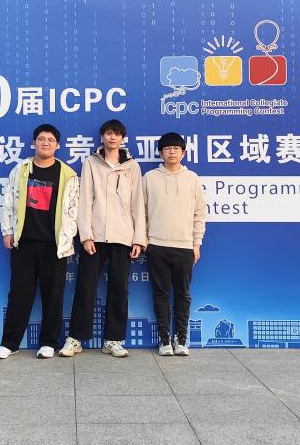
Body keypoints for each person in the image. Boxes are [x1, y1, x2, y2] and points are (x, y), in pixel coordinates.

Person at [60, 119, 145, 360]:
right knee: (85, 287)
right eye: (109, 133)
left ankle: (113, 340)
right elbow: (85, 200)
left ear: (122, 138)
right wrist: (86, 235)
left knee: (119, 288)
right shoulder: (91, 162)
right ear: (102, 137)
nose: (112, 137)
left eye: (117, 134)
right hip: (95, 236)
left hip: (123, 235)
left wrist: (138, 238)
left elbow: (138, 203)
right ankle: (75, 338)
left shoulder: (132, 166)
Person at [0, 124, 79, 360]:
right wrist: (7, 231)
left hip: (54, 246)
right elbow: (9, 202)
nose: (45, 143)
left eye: (51, 140)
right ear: (34, 143)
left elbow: (73, 210)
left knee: (53, 295)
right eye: (41, 139)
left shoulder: (68, 174)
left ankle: (49, 342)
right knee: (19, 294)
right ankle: (9, 343)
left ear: (58, 145)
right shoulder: (21, 170)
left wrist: (68, 235)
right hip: (24, 243)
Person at [143, 132, 205, 357]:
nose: (171, 152)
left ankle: (181, 338)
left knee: (183, 294)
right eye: (167, 148)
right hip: (156, 244)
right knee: (160, 293)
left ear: (183, 153)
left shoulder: (192, 179)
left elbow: (200, 213)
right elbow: (141, 211)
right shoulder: (149, 177)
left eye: (176, 148)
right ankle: (164, 339)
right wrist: (145, 240)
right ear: (161, 153)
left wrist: (196, 243)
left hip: (184, 246)